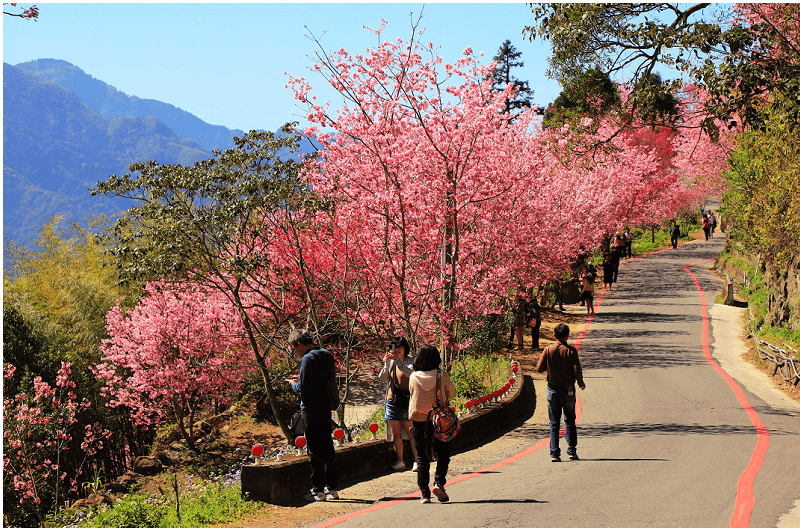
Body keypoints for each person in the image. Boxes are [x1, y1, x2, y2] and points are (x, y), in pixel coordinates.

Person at [286, 329, 338, 502]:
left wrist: (294, 384)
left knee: (314, 448)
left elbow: (303, 388)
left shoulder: (307, 358)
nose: (296, 352)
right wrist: (301, 378)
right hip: (326, 405)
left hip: (310, 407)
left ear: (299, 344)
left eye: (295, 349)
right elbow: (322, 379)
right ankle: (333, 488)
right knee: (327, 444)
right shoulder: (326, 354)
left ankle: (318, 490)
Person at [409, 344, 457, 504]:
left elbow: (412, 394)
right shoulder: (440, 375)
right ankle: (438, 483)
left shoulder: (413, 377)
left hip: (419, 421)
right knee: (443, 454)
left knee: (422, 458)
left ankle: (424, 494)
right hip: (439, 422)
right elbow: (453, 393)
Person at [535, 323, 586, 462]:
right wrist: (581, 383)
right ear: (567, 335)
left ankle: (554, 453)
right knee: (570, 421)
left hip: (553, 390)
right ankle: (572, 451)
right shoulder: (571, 351)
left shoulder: (548, 350)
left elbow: (539, 368)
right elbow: (577, 370)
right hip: (568, 390)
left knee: (554, 423)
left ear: (554, 335)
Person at [378, 336, 418, 472]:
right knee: (396, 433)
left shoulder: (411, 361)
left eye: (400, 345)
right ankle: (400, 460)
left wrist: (397, 361)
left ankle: (417, 460)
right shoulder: (391, 362)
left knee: (411, 432)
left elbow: (410, 373)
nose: (397, 349)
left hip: (407, 400)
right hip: (392, 401)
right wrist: (387, 363)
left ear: (405, 347)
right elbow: (382, 378)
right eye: (394, 346)